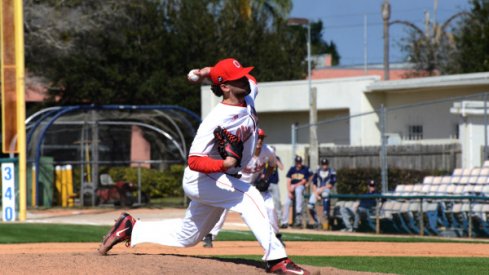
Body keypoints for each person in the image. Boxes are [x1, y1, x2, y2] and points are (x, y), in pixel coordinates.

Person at [97, 58, 310, 275]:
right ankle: (277, 260)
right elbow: (194, 160)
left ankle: (132, 227)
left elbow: (252, 79)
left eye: (243, 74)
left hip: (223, 178)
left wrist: (208, 71)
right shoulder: (215, 120)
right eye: (237, 78)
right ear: (225, 87)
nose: (244, 79)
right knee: (250, 197)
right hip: (203, 177)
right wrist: (224, 162)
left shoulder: (248, 92)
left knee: (187, 237)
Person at [203, 128, 285, 248]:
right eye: (258, 137)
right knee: (223, 207)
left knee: (270, 206)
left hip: (253, 185)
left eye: (262, 138)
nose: (260, 141)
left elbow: (272, 165)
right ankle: (210, 235)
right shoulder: (245, 150)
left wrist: (265, 178)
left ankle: (276, 236)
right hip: (237, 182)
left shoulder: (268, 151)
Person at [280, 155, 311, 229]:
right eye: (297, 162)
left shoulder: (305, 169)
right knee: (287, 202)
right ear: (295, 163)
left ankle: (298, 212)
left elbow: (304, 181)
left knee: (298, 190)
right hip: (292, 187)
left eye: (300, 162)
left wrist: (295, 186)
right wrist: (289, 191)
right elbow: (288, 181)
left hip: (300, 186)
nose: (299, 164)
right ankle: (284, 222)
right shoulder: (292, 169)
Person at [307, 158, 336, 230]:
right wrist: (316, 193)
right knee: (310, 206)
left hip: (325, 189)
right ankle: (317, 222)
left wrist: (320, 190)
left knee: (325, 195)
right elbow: (313, 184)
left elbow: (331, 185)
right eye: (323, 164)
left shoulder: (331, 172)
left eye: (325, 164)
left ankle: (326, 215)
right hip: (317, 190)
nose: (324, 166)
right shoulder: (317, 172)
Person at [268, 146, 284, 228]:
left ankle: (280, 219)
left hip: (274, 183)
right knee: (265, 202)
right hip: (266, 183)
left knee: (277, 201)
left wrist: (276, 160)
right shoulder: (265, 157)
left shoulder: (277, 158)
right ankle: (267, 220)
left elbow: (282, 168)